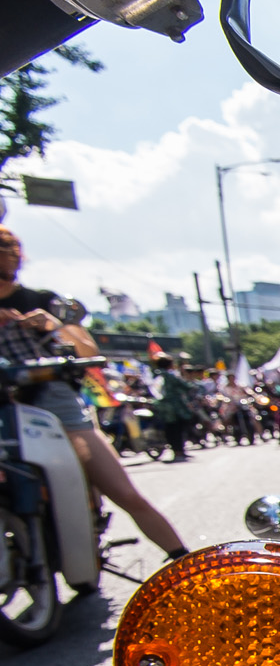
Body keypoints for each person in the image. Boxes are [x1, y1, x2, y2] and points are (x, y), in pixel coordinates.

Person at [0, 227, 186, 558]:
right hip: (5, 411)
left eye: (10, 247)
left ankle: (187, 565)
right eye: (4, 248)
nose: (9, 254)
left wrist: (52, 326)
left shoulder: (41, 301)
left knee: (123, 491)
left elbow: (88, 351)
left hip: (53, 405)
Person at [151, 355, 199, 462]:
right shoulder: (170, 375)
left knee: (170, 429)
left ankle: (176, 450)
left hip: (161, 406)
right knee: (178, 428)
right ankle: (179, 450)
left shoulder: (155, 374)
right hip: (175, 406)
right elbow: (185, 386)